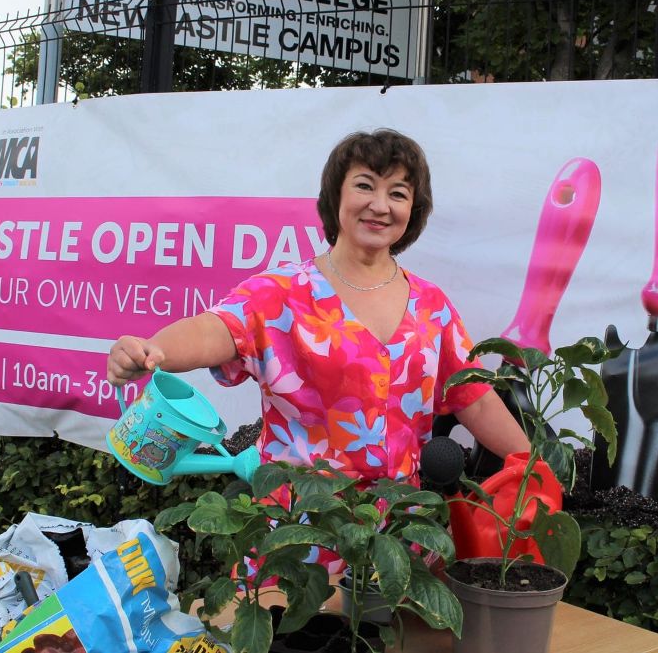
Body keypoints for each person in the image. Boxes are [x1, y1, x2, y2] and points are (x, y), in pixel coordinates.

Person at [106, 129, 529, 485]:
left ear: (411, 211)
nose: (380, 205)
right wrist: (152, 350)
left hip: (400, 535)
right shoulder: (282, 293)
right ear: (336, 196)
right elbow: (213, 330)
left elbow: (474, 398)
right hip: (300, 533)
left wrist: (530, 466)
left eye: (397, 193)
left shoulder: (431, 306)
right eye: (364, 185)